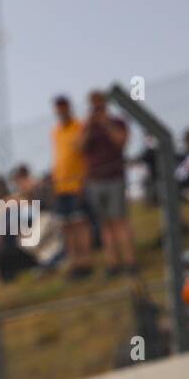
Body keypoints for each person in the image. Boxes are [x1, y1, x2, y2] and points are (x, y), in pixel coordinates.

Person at [81, 90, 136, 276]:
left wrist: (106, 123)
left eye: (99, 105)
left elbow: (122, 141)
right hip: (95, 180)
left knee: (120, 220)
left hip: (114, 177)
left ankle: (130, 261)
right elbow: (79, 148)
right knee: (105, 223)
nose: (97, 109)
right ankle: (112, 263)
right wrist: (89, 125)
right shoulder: (88, 127)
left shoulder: (116, 122)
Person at [51, 95, 92, 278]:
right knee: (66, 226)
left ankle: (85, 261)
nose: (60, 111)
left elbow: (85, 155)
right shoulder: (56, 131)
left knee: (79, 224)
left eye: (63, 107)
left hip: (77, 184)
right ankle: (74, 262)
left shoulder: (80, 126)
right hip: (61, 186)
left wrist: (84, 180)